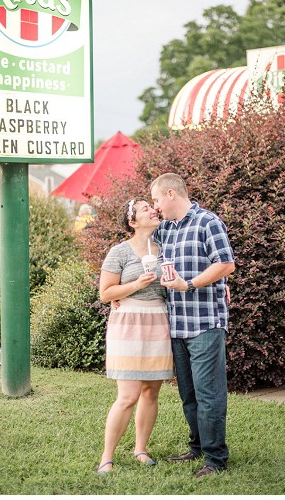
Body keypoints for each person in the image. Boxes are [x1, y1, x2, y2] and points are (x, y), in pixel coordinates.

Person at [150, 173, 236, 479]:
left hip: (204, 323)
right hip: (177, 326)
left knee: (208, 393)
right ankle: (198, 446)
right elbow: (137, 245)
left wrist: (190, 284)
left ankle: (216, 458)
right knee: (188, 393)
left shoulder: (207, 222)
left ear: (171, 194)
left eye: (156, 199)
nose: (155, 206)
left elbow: (225, 263)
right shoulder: (164, 230)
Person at [97, 199, 173, 474]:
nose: (152, 210)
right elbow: (106, 294)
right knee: (127, 395)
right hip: (128, 322)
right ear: (132, 222)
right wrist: (135, 285)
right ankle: (107, 456)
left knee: (151, 391)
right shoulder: (119, 252)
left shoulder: (166, 249)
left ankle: (140, 448)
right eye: (145, 209)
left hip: (158, 320)